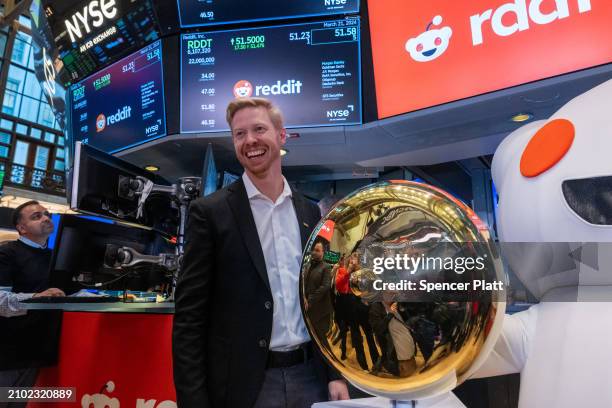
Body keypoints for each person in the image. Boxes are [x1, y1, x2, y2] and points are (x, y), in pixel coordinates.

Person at [173, 97, 349, 408]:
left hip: (311, 377)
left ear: (281, 136)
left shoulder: (308, 211)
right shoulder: (210, 213)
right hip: (247, 386)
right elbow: (189, 319)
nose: (250, 140)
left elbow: (322, 301)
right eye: (239, 134)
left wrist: (335, 373)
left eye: (259, 129)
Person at [0, 201, 64, 405]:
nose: (46, 218)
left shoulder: (57, 257)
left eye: (47, 214)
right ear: (21, 228)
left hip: (37, 350)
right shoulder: (7, 253)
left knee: (17, 404)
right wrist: (37, 297)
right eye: (36, 216)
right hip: (7, 352)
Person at [303, 242, 332, 349]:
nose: (314, 252)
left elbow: (325, 286)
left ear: (323, 253)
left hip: (320, 311)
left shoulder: (326, 267)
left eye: (318, 250)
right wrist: (303, 298)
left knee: (322, 341)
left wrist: (309, 300)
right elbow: (304, 284)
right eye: (314, 249)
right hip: (308, 309)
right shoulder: (308, 265)